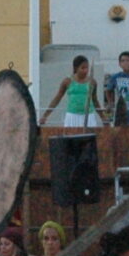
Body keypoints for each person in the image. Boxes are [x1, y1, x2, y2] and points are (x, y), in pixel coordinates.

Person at [42, 52, 103, 208]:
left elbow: (95, 101)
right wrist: (46, 115)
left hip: (88, 116)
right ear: (76, 68)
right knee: (71, 144)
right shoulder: (67, 82)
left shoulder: (92, 82)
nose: (85, 71)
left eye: (87, 68)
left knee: (88, 143)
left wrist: (104, 118)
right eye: (83, 68)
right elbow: (57, 98)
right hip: (72, 116)